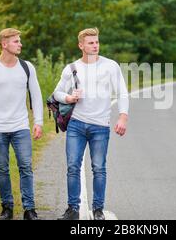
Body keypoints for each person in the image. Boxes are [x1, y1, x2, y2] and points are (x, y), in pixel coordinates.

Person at [53, 28, 129, 220]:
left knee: (99, 168)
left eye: (96, 42)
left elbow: (122, 92)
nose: (95, 45)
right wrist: (69, 97)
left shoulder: (110, 66)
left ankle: (98, 210)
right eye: (90, 42)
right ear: (81, 45)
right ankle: (72, 209)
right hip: (76, 125)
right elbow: (57, 93)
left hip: (100, 127)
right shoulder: (71, 68)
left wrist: (122, 117)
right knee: (72, 166)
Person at [0, 28, 43, 220]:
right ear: (4, 44)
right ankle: (7, 208)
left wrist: (39, 122)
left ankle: (29, 209)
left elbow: (36, 96)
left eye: (19, 41)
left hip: (21, 127)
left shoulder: (27, 67)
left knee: (26, 166)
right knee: (2, 168)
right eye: (16, 41)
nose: (20, 44)